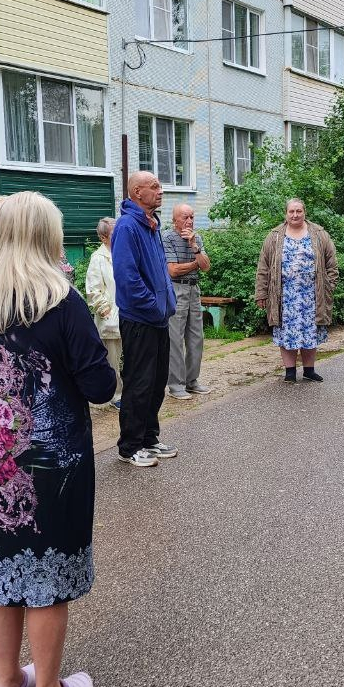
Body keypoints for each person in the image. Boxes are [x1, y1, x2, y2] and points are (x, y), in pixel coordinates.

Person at [0, 191, 116, 687]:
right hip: (53, 470)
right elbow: (97, 385)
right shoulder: (60, 301)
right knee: (45, 577)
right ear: (48, 237)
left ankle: (5, 685)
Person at [113, 171, 178, 468]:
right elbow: (128, 279)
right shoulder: (127, 227)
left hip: (159, 318)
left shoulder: (151, 224)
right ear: (137, 192)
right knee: (139, 383)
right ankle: (129, 446)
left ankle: (150, 438)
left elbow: (161, 270)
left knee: (157, 381)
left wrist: (168, 304)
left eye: (159, 186)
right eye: (154, 187)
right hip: (140, 319)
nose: (160, 191)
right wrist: (154, 307)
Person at [255, 199, 338, 382]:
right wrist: (261, 293)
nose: (295, 215)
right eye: (291, 211)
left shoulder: (319, 234)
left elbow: (332, 263)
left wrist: (328, 287)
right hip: (284, 296)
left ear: (304, 212)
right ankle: (290, 372)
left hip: (312, 295)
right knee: (287, 332)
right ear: (286, 213)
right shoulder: (275, 235)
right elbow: (264, 267)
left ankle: (309, 370)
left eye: (298, 211)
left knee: (310, 331)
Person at [162, 203, 211, 399]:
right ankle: (176, 385)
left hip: (193, 289)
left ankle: (192, 381)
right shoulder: (167, 237)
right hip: (176, 288)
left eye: (191, 217)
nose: (189, 221)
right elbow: (172, 270)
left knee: (196, 337)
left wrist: (194, 247)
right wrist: (195, 264)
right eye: (185, 217)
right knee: (175, 339)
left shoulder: (196, 238)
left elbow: (206, 266)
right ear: (175, 220)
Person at [84, 217, 123, 408]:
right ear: (103, 237)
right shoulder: (98, 258)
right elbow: (93, 290)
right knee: (112, 359)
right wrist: (105, 310)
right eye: (114, 233)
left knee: (130, 357)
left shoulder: (123, 252)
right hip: (111, 317)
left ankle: (128, 391)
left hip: (129, 314)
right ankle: (115, 395)